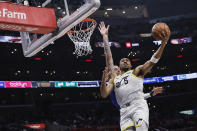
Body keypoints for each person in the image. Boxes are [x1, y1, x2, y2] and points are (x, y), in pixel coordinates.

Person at [98, 21, 170, 131]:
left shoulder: (136, 72)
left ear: (131, 65)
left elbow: (152, 61)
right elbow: (109, 57)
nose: (125, 60)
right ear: (119, 65)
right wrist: (105, 37)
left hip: (138, 106)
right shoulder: (114, 78)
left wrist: (163, 43)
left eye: (127, 60)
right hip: (124, 110)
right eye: (123, 60)